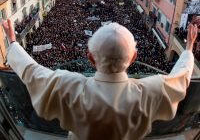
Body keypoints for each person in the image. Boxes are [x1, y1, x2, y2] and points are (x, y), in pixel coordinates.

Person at [2, 20, 198, 140]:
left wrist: (13, 44)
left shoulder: (67, 86)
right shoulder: (152, 91)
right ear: (134, 58)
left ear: (90, 58)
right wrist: (187, 50)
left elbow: (32, 72)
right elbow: (180, 79)